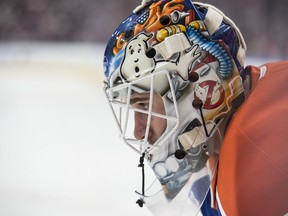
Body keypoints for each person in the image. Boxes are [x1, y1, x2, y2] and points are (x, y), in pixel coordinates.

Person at [102, 0, 288, 215]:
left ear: (199, 88)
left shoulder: (250, 184)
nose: (139, 131)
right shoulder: (267, 86)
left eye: (145, 106)